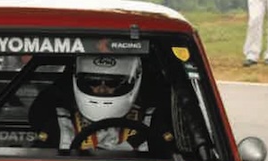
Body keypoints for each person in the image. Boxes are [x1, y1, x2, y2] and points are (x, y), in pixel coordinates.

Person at [29, 55, 173, 153]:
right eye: (93, 81)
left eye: (112, 83)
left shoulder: (154, 122)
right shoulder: (59, 124)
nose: (102, 89)